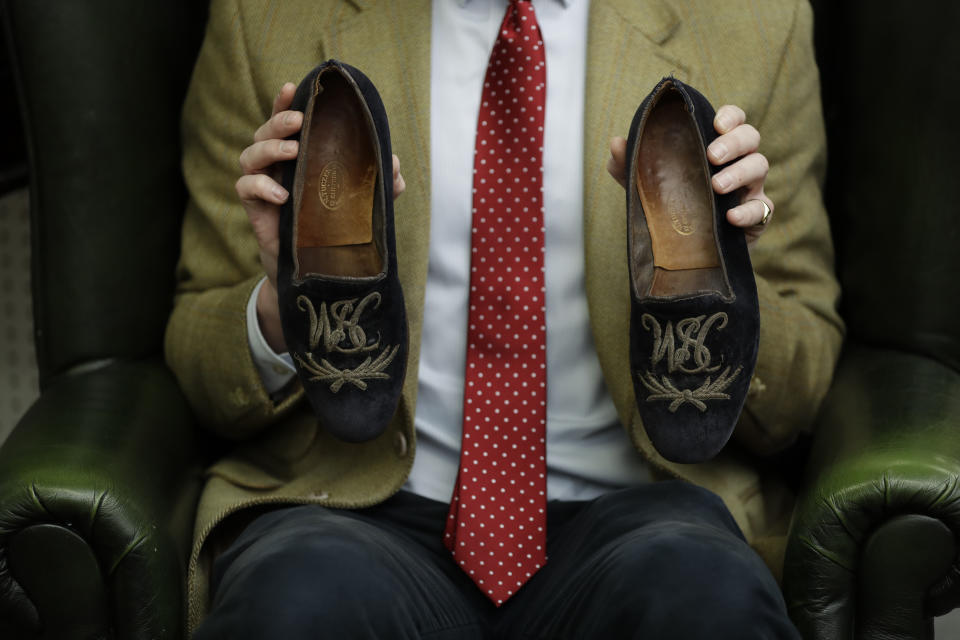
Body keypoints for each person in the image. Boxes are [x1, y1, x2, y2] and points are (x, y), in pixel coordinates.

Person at [165, 0, 843, 637]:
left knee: (706, 595)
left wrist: (733, 284)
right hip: (353, 506)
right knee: (293, 598)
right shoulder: (264, 20)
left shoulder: (756, 24)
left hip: (645, 508)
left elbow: (801, 391)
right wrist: (283, 297)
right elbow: (200, 366)